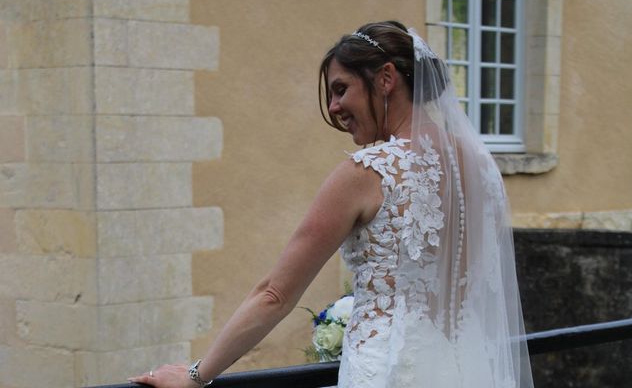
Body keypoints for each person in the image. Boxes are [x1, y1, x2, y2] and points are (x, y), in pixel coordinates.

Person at [130, 21, 534, 388]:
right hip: (470, 367)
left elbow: (275, 294)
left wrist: (196, 375)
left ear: (386, 79)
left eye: (341, 89)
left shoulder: (368, 171)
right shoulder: (481, 168)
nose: (335, 108)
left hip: (389, 373)